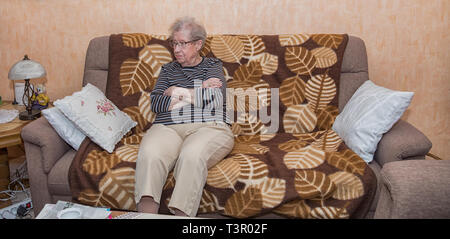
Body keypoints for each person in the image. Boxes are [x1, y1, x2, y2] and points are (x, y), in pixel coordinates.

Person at [134, 16, 234, 217]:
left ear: (198, 44)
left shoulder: (212, 66)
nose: (177, 49)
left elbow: (215, 98)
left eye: (183, 43)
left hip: (209, 126)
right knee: (150, 155)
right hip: (167, 127)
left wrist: (175, 91)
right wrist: (198, 91)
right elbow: (157, 103)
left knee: (191, 156)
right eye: (174, 43)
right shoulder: (168, 69)